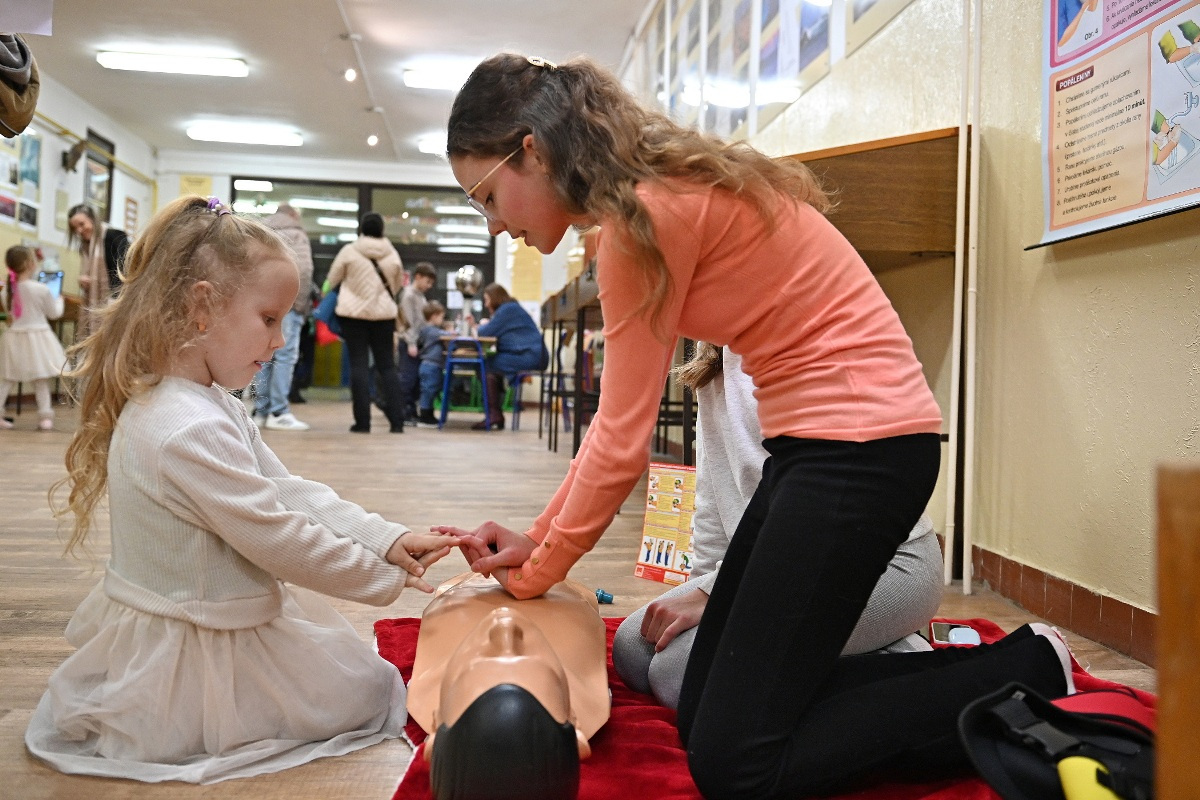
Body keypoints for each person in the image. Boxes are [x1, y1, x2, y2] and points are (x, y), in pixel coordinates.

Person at [437, 53, 1075, 798]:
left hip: (862, 453)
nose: (495, 225)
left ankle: (1026, 668)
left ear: (532, 151)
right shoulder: (646, 202)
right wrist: (537, 540)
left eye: (487, 197)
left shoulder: (640, 221)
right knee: (701, 706)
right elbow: (613, 433)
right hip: (819, 452)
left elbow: (617, 439)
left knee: (735, 766)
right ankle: (929, 679)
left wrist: (540, 569)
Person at [25, 196, 459, 784]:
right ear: (202, 307)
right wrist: (385, 577)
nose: (280, 340)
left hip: (214, 616)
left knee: (366, 683)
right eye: (268, 319)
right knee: (370, 692)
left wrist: (386, 540)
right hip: (197, 647)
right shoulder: (186, 427)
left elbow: (285, 490)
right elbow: (278, 539)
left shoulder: (205, 401)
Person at [612, 345, 943, 710]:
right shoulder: (716, 362)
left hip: (876, 563)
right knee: (634, 648)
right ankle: (847, 646)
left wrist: (714, 596)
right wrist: (700, 592)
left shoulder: (798, 351)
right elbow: (711, 501)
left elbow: (816, 518)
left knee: (678, 675)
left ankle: (898, 654)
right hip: (772, 569)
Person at [407, 572, 609, 800]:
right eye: (527, 655)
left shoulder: (446, 608)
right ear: (574, 721)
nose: (506, 626)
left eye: (484, 659)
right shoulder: (580, 619)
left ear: (436, 723)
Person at [327, 211, 406, 433]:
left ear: (361, 229)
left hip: (353, 316)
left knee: (358, 366)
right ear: (382, 230)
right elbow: (397, 285)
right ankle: (397, 422)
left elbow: (332, 279)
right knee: (387, 366)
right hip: (384, 317)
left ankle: (362, 423)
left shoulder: (349, 251)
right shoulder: (392, 254)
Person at [251, 202, 312, 431]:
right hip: (287, 305)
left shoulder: (261, 233)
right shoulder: (297, 234)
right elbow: (304, 270)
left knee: (263, 355)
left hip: (261, 305)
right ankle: (279, 411)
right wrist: (299, 304)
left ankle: (260, 411)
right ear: (294, 215)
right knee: (285, 356)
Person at [0, 245, 67, 430]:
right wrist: (60, 301)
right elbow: (54, 314)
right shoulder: (41, 289)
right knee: (40, 379)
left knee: (7, 380)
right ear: (30, 264)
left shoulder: (6, 291)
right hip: (37, 339)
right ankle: (45, 418)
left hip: (14, 338)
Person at [473, 282, 548, 430]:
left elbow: (484, 332)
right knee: (489, 366)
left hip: (529, 356)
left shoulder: (508, 309)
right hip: (532, 355)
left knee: (483, 364)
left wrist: (480, 325)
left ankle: (494, 414)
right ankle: (495, 414)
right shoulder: (511, 308)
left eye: (487, 300)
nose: (486, 305)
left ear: (494, 298)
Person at [67, 203, 130, 337]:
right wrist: (84, 280)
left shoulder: (114, 237)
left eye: (82, 224)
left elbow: (126, 270)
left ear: (92, 219)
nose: (79, 230)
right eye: (75, 228)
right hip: (96, 305)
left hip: (117, 303)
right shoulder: (85, 248)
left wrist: (114, 299)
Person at [398, 261, 438, 421]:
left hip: (418, 343)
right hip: (409, 343)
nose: (429, 286)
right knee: (408, 379)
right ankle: (404, 412)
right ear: (418, 277)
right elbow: (408, 322)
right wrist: (411, 343)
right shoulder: (408, 296)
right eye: (427, 282)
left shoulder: (420, 296)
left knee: (415, 381)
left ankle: (412, 411)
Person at [415, 300, 447, 426]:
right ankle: (425, 415)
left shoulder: (427, 330)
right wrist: (451, 331)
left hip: (431, 365)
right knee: (428, 390)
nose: (442, 320)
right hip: (431, 365)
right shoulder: (431, 331)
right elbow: (445, 335)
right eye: (441, 317)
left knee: (431, 390)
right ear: (434, 316)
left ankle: (429, 413)